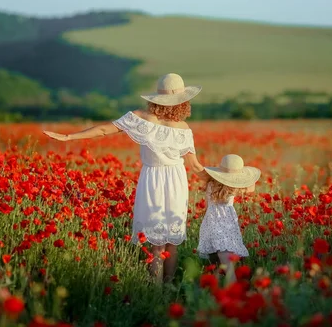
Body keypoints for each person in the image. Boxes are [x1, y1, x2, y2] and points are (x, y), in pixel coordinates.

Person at [43, 73, 208, 284]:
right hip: (176, 181)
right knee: (170, 243)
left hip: (154, 180)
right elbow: (195, 167)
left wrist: (70, 136)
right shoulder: (183, 128)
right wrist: (224, 180)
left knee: (158, 243)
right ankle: (168, 290)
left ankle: (156, 292)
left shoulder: (142, 118)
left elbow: (104, 130)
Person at [197, 154, 260, 283]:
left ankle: (214, 286)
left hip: (211, 222)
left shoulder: (210, 185)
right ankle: (233, 285)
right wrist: (245, 176)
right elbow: (251, 187)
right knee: (225, 254)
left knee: (217, 256)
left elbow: (207, 205)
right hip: (227, 223)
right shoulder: (234, 189)